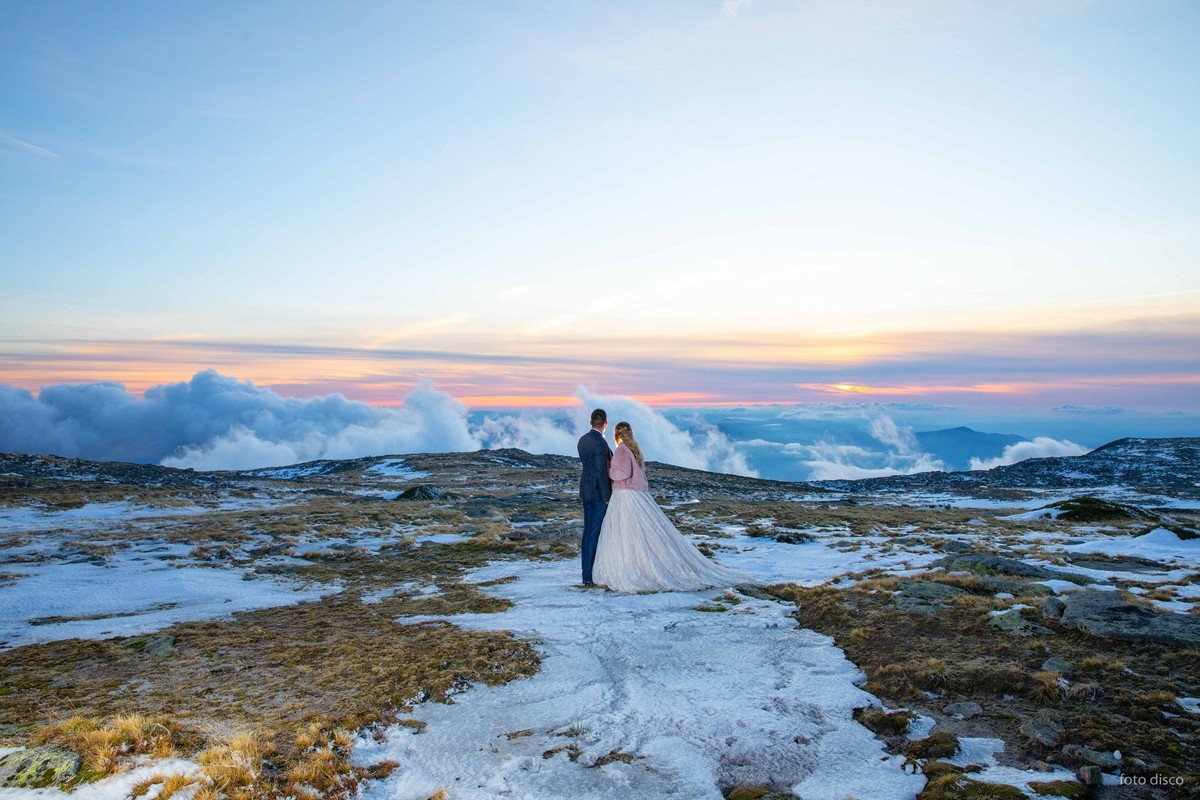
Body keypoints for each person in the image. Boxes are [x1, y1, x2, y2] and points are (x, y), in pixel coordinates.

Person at [592, 421, 751, 593]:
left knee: (626, 532)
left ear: (617, 435)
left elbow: (623, 473)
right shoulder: (634, 449)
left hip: (625, 495)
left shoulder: (622, 449)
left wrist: (608, 471)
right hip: (635, 493)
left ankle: (632, 568)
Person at [576, 408, 613, 586]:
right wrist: (607, 496)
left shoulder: (583, 440)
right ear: (605, 424)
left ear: (590, 422)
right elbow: (601, 472)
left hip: (586, 491)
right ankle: (589, 576)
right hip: (598, 494)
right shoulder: (601, 444)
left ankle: (586, 574)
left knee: (587, 532)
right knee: (594, 533)